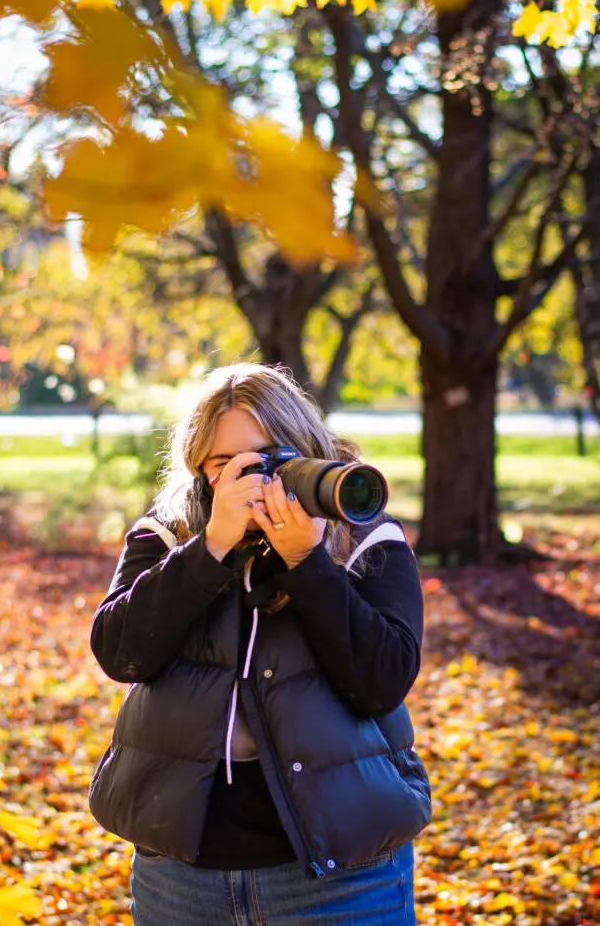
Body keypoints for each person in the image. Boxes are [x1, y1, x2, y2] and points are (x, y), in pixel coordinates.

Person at [88, 363, 431, 925]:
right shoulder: (169, 532)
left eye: (270, 459)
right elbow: (121, 653)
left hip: (342, 879)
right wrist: (210, 548)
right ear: (200, 469)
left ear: (306, 450)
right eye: (227, 465)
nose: (253, 480)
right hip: (183, 880)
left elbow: (384, 681)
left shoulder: (365, 536)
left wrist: (307, 562)